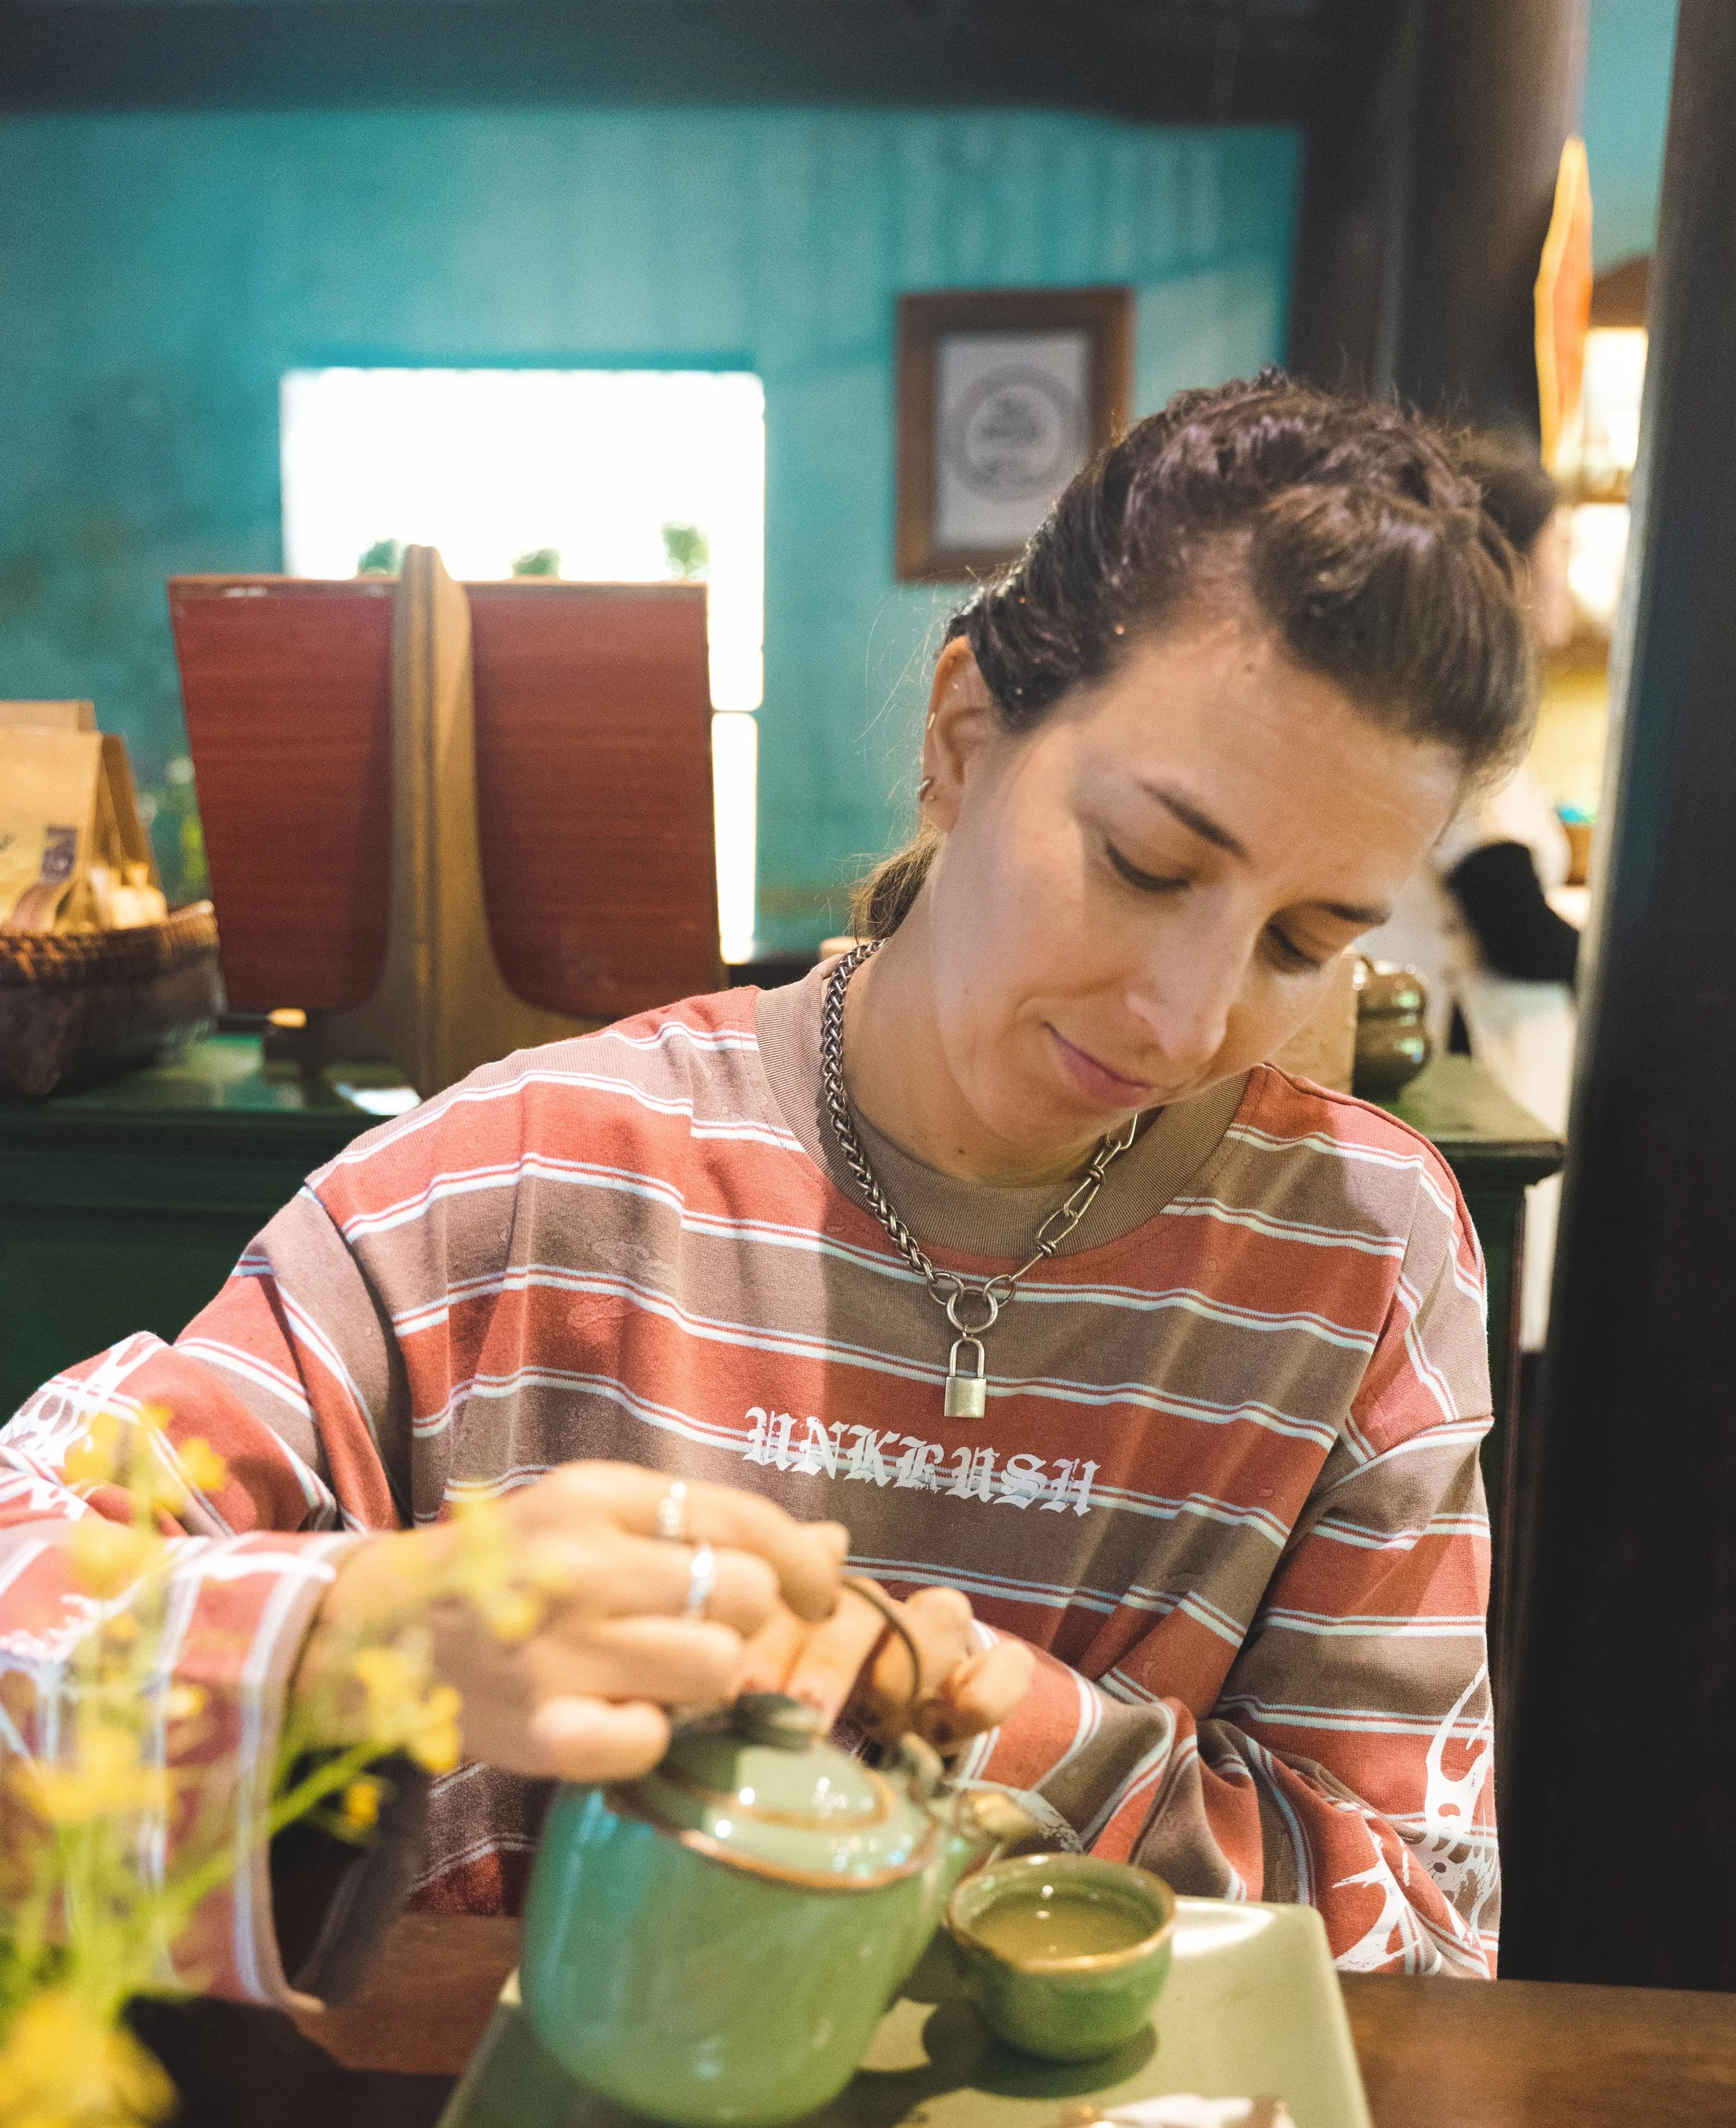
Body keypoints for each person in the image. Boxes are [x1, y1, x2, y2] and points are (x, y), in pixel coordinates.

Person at [0, 371, 1535, 1997]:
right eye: (1144, 866)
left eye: (1304, 942)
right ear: (961, 742)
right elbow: (32, 1585)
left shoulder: (1355, 1251)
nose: (1186, 1016)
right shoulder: (520, 1183)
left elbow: (1421, 1946)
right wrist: (366, 1637)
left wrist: (955, 1708)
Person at [1376, 432, 1578, 1350]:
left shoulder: (1446, 694)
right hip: (1456, 1058)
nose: (1570, 569)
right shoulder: (1463, 707)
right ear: (1510, 562)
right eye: (1561, 546)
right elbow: (1513, 928)